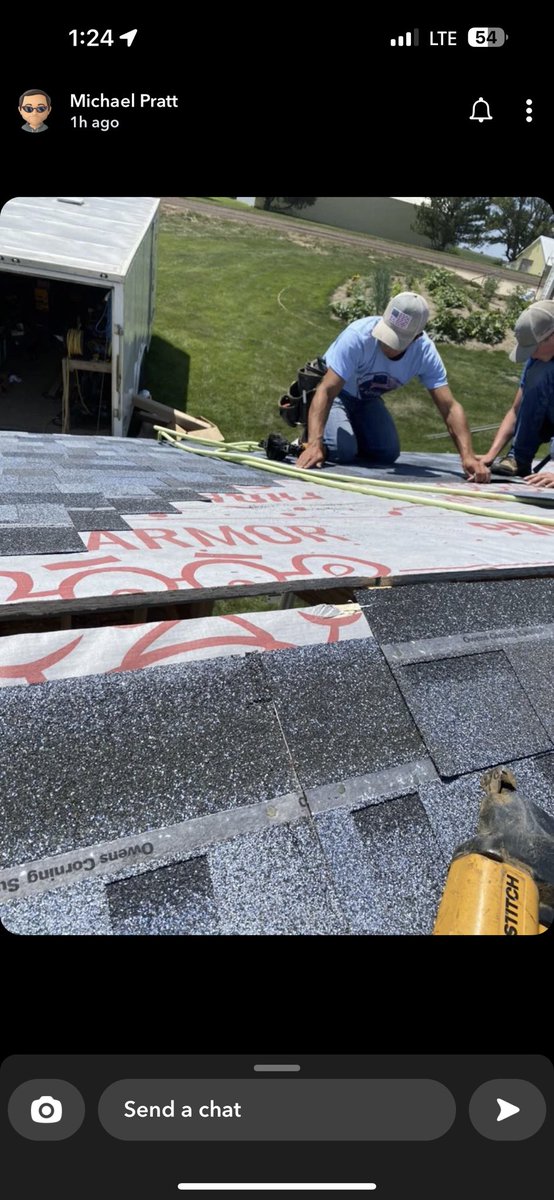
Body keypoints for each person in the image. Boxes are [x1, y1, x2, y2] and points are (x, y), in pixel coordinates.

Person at [295, 292, 490, 481]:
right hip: (338, 395)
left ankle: (346, 437)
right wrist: (314, 444)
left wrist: (468, 457)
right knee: (342, 450)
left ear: (416, 337)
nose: (386, 344)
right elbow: (326, 390)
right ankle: (307, 440)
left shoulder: (425, 353)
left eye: (396, 340)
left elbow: (449, 407)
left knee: (387, 452)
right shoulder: (358, 336)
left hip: (367, 399)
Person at [474, 300, 554, 488]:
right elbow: (516, 410)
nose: (532, 355)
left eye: (533, 348)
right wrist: (491, 455)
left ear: (551, 337)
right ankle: (518, 459)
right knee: (539, 372)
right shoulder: (539, 360)